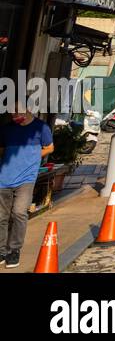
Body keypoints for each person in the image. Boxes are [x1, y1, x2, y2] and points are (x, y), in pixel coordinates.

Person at [1, 109, 54, 268]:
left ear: (28, 110)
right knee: (1, 216)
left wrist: (31, 158)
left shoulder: (41, 127)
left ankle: (14, 250)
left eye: (18, 112)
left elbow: (49, 147)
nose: (15, 116)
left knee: (19, 212)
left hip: (26, 179)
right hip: (4, 178)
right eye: (12, 113)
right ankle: (1, 250)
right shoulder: (6, 129)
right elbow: (2, 150)